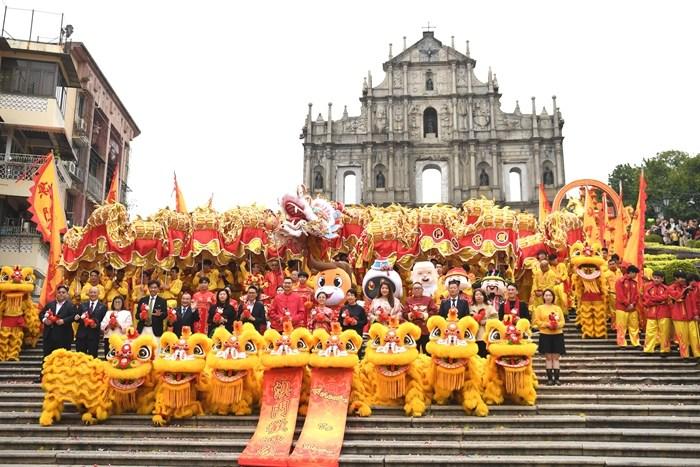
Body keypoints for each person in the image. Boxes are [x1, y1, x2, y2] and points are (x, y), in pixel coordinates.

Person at [37, 285, 75, 381]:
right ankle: (43, 377)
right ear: (56, 294)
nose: (61, 294)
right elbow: (41, 314)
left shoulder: (71, 306)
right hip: (49, 335)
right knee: (47, 356)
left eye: (63, 292)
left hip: (64, 336)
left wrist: (64, 321)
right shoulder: (50, 304)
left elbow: (74, 316)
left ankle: (62, 378)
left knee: (63, 358)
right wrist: (45, 320)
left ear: (67, 294)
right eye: (59, 292)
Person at [533, 289, 566, 385]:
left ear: (553, 297)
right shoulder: (539, 308)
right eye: (546, 295)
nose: (548, 297)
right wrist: (546, 324)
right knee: (548, 357)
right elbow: (536, 321)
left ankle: (557, 379)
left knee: (556, 357)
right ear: (543, 297)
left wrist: (556, 325)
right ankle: (550, 379)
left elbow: (562, 321)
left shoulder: (557, 308)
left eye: (550, 295)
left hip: (557, 334)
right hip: (545, 334)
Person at [642, 271, 671, 355]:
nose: (656, 279)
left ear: (662, 279)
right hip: (651, 313)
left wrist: (653, 299)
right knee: (650, 332)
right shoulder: (648, 287)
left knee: (664, 332)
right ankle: (648, 350)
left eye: (658, 278)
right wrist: (659, 301)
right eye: (654, 277)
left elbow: (665, 297)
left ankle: (665, 350)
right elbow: (646, 299)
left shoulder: (666, 288)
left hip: (664, 313)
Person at [404, 282, 438, 354]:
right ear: (412, 290)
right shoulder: (408, 300)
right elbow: (404, 313)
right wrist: (410, 315)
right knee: (414, 352)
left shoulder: (429, 299)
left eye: (419, 288)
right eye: (415, 288)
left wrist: (425, 315)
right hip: (413, 330)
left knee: (427, 352)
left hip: (426, 329)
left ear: (422, 290)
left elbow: (434, 311)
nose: (417, 290)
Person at [74, 286, 107, 358]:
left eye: (95, 292)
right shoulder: (82, 305)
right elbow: (77, 318)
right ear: (88, 294)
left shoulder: (103, 307)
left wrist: (96, 325)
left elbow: (104, 321)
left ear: (98, 294)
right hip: (81, 335)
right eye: (91, 292)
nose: (93, 294)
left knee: (92, 358)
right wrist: (76, 318)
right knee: (80, 358)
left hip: (94, 336)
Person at [667, 271, 693, 358]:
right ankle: (685, 355)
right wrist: (686, 290)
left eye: (684, 277)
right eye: (680, 277)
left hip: (689, 316)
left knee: (690, 336)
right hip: (678, 315)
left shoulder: (687, 286)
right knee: (682, 336)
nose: (683, 279)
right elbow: (678, 297)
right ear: (676, 278)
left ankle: (691, 352)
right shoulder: (671, 288)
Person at [614, 265, 641, 348]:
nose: (636, 275)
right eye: (635, 273)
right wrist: (628, 304)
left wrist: (633, 304)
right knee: (621, 326)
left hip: (632, 308)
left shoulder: (634, 283)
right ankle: (621, 343)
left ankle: (636, 343)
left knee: (634, 326)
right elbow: (620, 295)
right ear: (631, 272)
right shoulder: (620, 281)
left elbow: (637, 295)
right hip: (621, 308)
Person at [469, 288, 498, 358]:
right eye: (476, 295)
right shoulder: (471, 307)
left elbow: (495, 319)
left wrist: (486, 321)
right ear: (474, 297)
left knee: (485, 354)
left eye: (480, 295)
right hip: (474, 334)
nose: (478, 296)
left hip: (485, 333)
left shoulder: (489, 307)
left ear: (484, 296)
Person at [603, 255, 623, 321]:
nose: (612, 265)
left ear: (616, 264)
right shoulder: (606, 274)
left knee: (620, 309)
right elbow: (604, 285)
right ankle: (614, 324)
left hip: (621, 294)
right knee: (613, 310)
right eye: (610, 264)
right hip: (611, 294)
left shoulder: (619, 271)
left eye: (613, 264)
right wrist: (608, 291)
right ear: (608, 266)